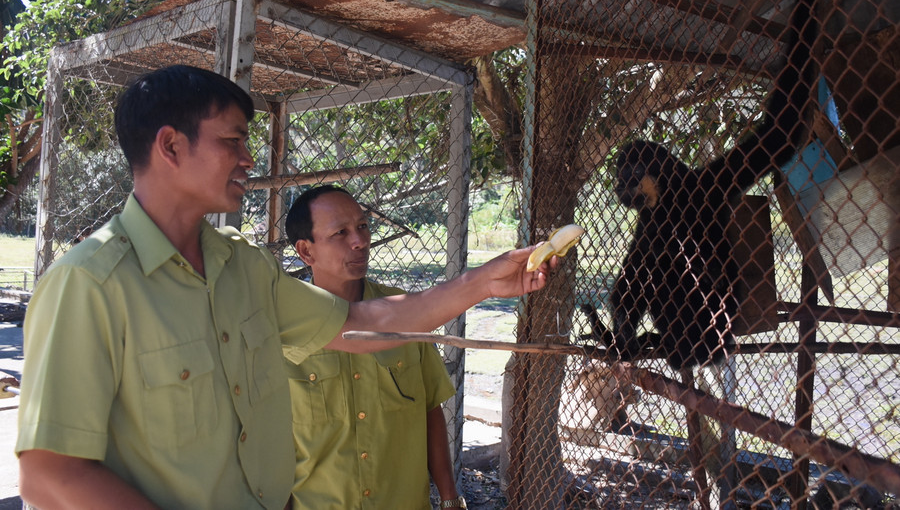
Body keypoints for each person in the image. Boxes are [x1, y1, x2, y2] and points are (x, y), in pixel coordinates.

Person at [15, 65, 551, 510]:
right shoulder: (88, 285)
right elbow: (49, 475)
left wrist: (482, 281)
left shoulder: (243, 267)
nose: (249, 159)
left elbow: (361, 323)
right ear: (171, 147)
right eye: (232, 141)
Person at [284, 185, 464, 509]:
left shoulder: (405, 314)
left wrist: (451, 499)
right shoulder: (284, 331)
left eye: (363, 226)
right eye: (341, 232)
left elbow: (430, 410)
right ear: (305, 251)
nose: (360, 241)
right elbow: (273, 441)